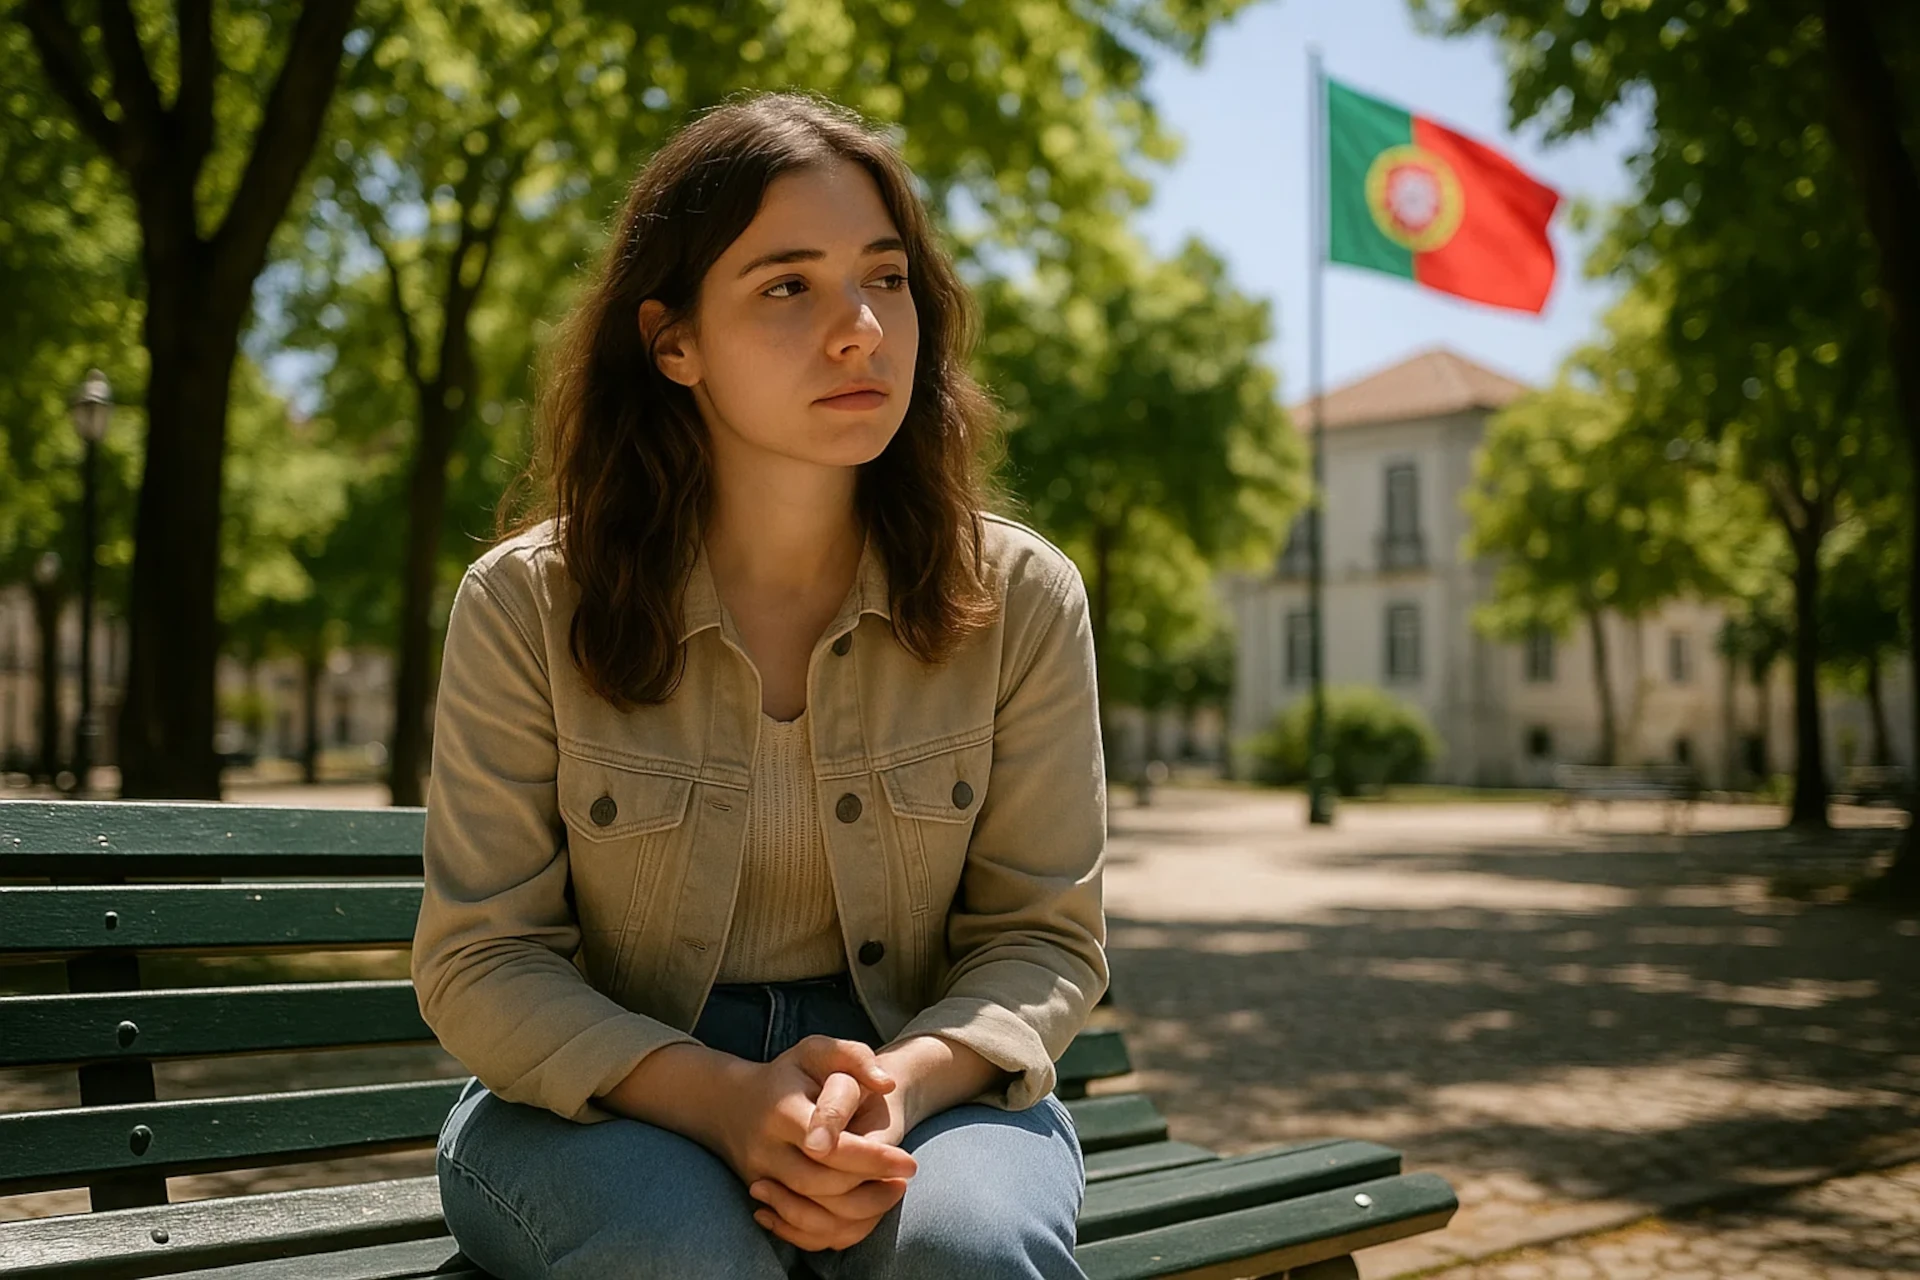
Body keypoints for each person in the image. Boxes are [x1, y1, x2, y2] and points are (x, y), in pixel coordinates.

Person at [411, 90, 1108, 1280]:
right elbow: (482, 958)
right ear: (672, 340)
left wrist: (891, 1089)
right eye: (789, 285)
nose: (861, 330)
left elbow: (1042, 937)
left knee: (968, 1244)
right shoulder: (528, 602)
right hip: (608, 1092)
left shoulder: (1020, 597)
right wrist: (727, 1099)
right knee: (686, 1251)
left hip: (920, 1075)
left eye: (886, 279)